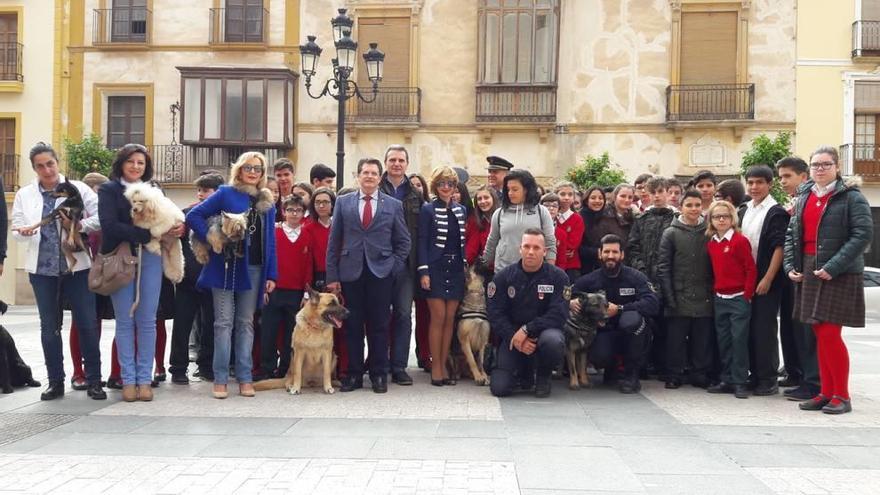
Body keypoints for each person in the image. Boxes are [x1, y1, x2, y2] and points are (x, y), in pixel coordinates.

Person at [11, 142, 106, 401]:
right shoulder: (26, 194)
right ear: (34, 169)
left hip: (77, 268)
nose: (46, 170)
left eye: (49, 163)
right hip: (42, 270)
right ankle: (55, 381)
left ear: (57, 163)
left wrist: (79, 224)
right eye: (40, 166)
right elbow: (17, 227)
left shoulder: (79, 188)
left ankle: (95, 380)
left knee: (86, 324)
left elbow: (101, 215)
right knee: (49, 327)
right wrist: (25, 232)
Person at [784, 146, 873, 415]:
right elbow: (791, 235)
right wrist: (791, 266)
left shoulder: (851, 197)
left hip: (839, 272)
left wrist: (833, 266)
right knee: (818, 334)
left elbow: (862, 235)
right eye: (815, 165)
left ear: (836, 168)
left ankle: (842, 396)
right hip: (809, 268)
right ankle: (825, 392)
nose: (820, 169)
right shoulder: (804, 197)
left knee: (830, 334)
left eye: (825, 164)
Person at [187, 151, 278, 399]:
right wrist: (212, 237)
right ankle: (220, 378)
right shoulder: (226, 193)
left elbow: (270, 241)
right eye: (248, 167)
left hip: (256, 268)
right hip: (226, 265)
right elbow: (193, 215)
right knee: (223, 323)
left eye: (258, 168)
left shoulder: (266, 200)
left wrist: (272, 274)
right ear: (239, 169)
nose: (253, 172)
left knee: (246, 324)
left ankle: (245, 377)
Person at [98, 144, 183, 402]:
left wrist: (179, 227)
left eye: (141, 163)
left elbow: (171, 217)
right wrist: (147, 234)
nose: (136, 166)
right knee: (125, 321)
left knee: (147, 320)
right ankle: (128, 380)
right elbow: (109, 226)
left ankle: (145, 380)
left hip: (151, 258)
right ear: (121, 163)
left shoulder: (155, 190)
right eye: (132, 161)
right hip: (121, 258)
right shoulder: (109, 190)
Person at [326, 158, 411, 394]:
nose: (370, 177)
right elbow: (334, 242)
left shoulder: (393, 205)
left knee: (380, 326)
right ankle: (353, 374)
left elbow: (404, 242)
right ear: (358, 175)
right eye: (365, 172)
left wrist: (393, 267)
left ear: (380, 177)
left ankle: (378, 374)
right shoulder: (343, 203)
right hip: (351, 273)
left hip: (381, 273)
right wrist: (332, 276)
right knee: (352, 326)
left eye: (374, 173)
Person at [572, 234, 660, 393]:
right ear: (600, 254)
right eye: (606, 252)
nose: (610, 256)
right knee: (600, 355)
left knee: (630, 320)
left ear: (622, 254)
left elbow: (653, 303)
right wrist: (570, 302)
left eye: (615, 252)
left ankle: (631, 374)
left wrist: (620, 309)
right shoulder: (590, 280)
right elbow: (567, 293)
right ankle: (611, 368)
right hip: (605, 330)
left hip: (632, 330)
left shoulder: (635, 277)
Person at [488, 228, 568, 398]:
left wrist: (527, 329)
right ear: (520, 249)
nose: (531, 252)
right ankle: (522, 374)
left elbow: (558, 314)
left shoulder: (558, 277)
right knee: (500, 388)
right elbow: (495, 313)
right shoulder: (504, 277)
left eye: (536, 248)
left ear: (545, 251)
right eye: (527, 246)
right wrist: (513, 337)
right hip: (513, 336)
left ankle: (543, 375)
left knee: (553, 341)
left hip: (544, 333)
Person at [657, 190, 716, 389]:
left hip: (704, 292)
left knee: (702, 338)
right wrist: (669, 295)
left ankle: (700, 372)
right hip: (678, 293)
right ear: (681, 207)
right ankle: (674, 373)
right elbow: (663, 266)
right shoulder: (671, 232)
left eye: (697, 205)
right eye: (689, 205)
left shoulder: (709, 231)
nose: (693, 209)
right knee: (676, 338)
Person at [169, 172, 223, 384]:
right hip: (188, 279)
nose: (201, 195)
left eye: (206, 190)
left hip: (213, 279)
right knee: (182, 325)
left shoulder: (224, 217)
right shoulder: (186, 215)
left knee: (211, 324)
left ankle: (206, 366)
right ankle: (178, 368)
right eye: (199, 190)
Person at [739, 165, 789, 396]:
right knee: (748, 328)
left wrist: (768, 277)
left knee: (764, 329)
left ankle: (768, 379)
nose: (754, 187)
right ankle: (754, 374)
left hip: (765, 279)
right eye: (750, 182)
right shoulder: (743, 209)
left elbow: (779, 247)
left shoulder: (775, 211)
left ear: (770, 184)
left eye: (759, 182)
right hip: (745, 279)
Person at [418, 166, 467, 386]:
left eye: (450, 184)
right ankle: (436, 365)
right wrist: (424, 271)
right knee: (437, 317)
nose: (446, 188)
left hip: (456, 267)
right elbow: (422, 242)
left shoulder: (461, 210)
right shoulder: (428, 209)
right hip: (435, 267)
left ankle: (444, 362)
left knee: (449, 319)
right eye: (442, 184)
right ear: (435, 186)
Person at [775, 156, 819, 400]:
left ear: (804, 176)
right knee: (792, 328)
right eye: (780, 177)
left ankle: (812, 380)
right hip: (796, 274)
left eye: (787, 176)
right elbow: (790, 240)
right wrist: (790, 266)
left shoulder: (811, 200)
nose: (782, 181)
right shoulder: (798, 202)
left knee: (808, 331)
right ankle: (797, 373)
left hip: (813, 273)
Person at [379, 144, 423, 386]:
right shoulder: (375, 189)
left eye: (401, 160)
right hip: (379, 264)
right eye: (392, 160)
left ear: (407, 164)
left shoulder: (416, 194)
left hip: (407, 265)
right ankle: (380, 362)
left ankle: (399, 366)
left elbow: (420, 234)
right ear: (386, 163)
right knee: (380, 316)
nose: (396, 164)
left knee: (404, 315)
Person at [705, 200, 756, 399]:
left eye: (725, 216)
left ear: (732, 218)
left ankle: (740, 381)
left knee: (739, 340)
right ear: (711, 220)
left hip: (738, 298)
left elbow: (750, 269)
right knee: (724, 340)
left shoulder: (739, 241)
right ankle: (726, 378)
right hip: (720, 298)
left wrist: (747, 295)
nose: (721, 220)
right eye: (717, 217)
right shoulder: (712, 243)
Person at [259, 195, 312, 380]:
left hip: (296, 292)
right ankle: (267, 368)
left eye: (298, 210)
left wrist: (306, 293)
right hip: (274, 289)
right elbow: (266, 260)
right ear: (283, 212)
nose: (294, 214)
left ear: (303, 213)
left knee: (292, 333)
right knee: (269, 331)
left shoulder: (307, 235)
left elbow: (309, 267)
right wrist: (263, 287)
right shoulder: (274, 232)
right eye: (290, 210)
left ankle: (287, 369)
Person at [628, 176, 676, 378]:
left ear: (668, 193)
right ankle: (643, 365)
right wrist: (641, 271)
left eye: (661, 192)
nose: (657, 196)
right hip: (645, 279)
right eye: (653, 192)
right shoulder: (641, 219)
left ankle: (665, 366)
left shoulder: (676, 219)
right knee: (645, 324)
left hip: (669, 280)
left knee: (668, 325)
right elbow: (633, 247)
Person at [67, 172, 108, 391]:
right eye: (97, 194)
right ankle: (78, 372)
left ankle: (92, 369)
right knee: (80, 322)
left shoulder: (101, 215)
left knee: (95, 321)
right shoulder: (75, 215)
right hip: (81, 270)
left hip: (101, 270)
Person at [303, 187, 347, 377]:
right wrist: (307, 291)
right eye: (318, 202)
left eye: (326, 202)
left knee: (340, 325)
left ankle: (343, 369)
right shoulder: (309, 228)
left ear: (333, 204)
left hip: (339, 277)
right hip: (318, 280)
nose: (322, 205)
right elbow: (306, 261)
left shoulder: (341, 225)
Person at [483, 169, 556, 273]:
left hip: (535, 271)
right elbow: (491, 243)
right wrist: (483, 265)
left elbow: (550, 242)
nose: (510, 193)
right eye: (508, 189)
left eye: (515, 189)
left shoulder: (541, 212)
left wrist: (550, 270)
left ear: (526, 190)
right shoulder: (499, 213)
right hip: (503, 271)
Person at [407, 173, 431, 370]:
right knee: (401, 314)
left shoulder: (429, 210)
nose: (416, 188)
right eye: (412, 185)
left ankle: (425, 354)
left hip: (424, 267)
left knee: (425, 316)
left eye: (419, 185)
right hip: (405, 266)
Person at [587, 184, 636, 257]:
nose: (626, 200)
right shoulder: (603, 216)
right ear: (615, 196)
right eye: (623, 196)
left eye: (630, 197)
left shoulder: (634, 218)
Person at [554, 181, 585, 281]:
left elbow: (573, 243)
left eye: (570, 194)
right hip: (552, 262)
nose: (566, 197)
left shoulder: (577, 218)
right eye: (562, 194)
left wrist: (559, 248)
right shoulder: (550, 217)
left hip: (571, 265)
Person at [465, 185, 499, 267]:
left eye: (486, 197)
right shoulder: (474, 221)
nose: (483, 201)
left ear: (493, 199)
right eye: (479, 199)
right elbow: (471, 247)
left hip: (500, 266)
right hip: (483, 268)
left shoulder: (502, 218)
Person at [578, 185, 607, 274]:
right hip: (584, 265)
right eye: (593, 198)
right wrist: (596, 252)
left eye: (600, 198)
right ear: (587, 200)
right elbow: (577, 246)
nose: (597, 201)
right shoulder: (580, 217)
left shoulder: (607, 216)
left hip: (604, 264)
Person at [540, 193, 566, 271]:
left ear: (559, 210)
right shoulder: (534, 228)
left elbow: (562, 259)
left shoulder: (561, 233)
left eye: (554, 206)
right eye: (547, 205)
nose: (551, 208)